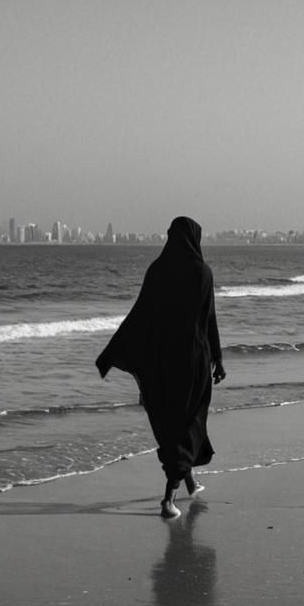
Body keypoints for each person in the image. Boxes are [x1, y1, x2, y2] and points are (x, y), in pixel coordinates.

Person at [96, 216, 226, 519]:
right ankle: (168, 500)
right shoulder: (202, 273)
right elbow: (209, 320)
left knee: (172, 422)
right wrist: (218, 359)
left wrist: (121, 355)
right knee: (188, 423)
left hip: (163, 361)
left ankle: (190, 482)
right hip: (194, 361)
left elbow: (141, 315)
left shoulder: (157, 270)